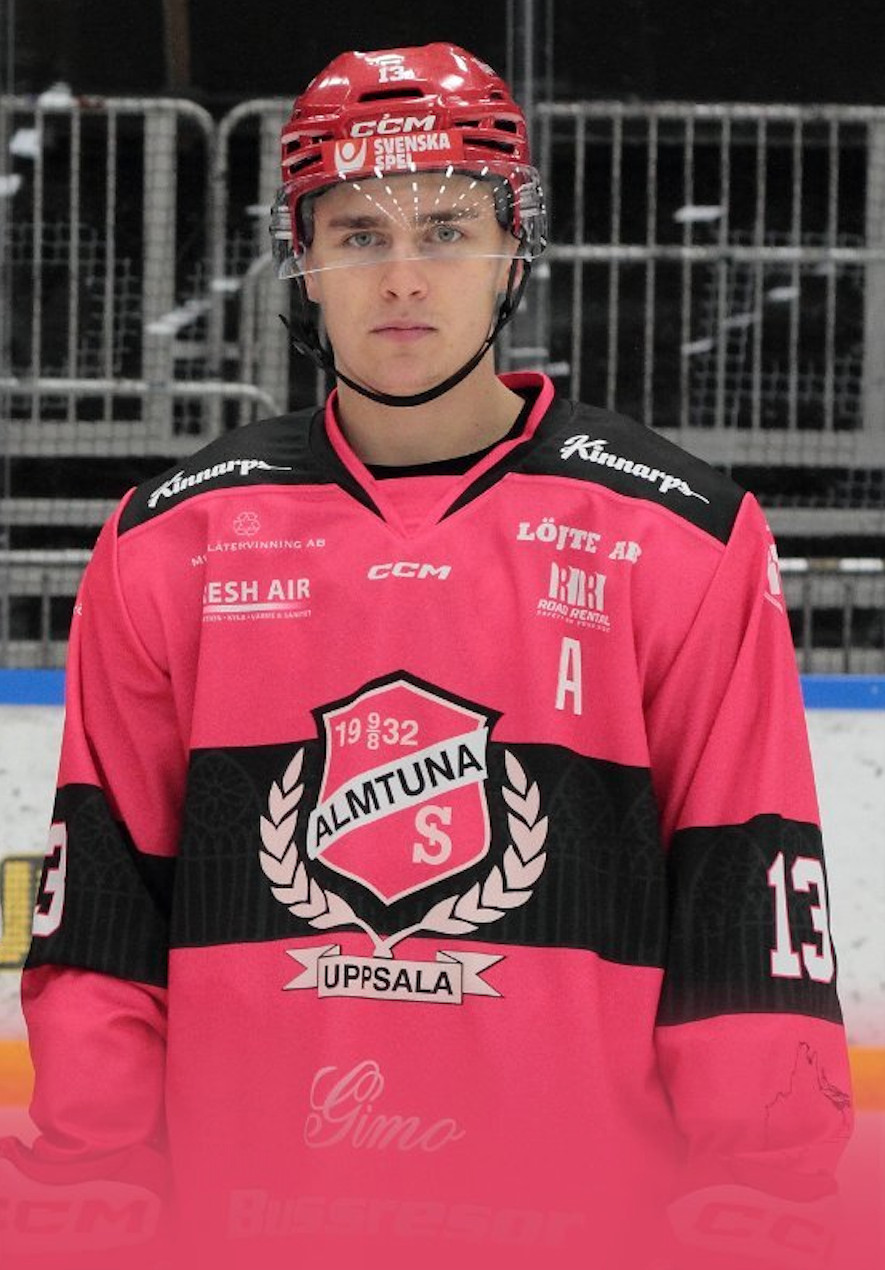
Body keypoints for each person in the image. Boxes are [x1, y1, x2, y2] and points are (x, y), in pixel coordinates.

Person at [0, 43, 855, 1270]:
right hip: (246, 1236)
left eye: (447, 229)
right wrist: (96, 1165)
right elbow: (103, 910)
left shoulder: (680, 539)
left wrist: (760, 1187)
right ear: (301, 255)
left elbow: (746, 895)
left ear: (514, 250)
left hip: (581, 1242)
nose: (401, 276)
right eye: (358, 233)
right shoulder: (170, 541)